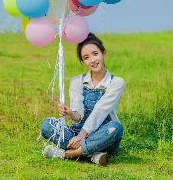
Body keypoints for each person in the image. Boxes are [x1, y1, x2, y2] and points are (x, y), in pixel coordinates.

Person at [40, 32, 125, 166]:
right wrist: (70, 113)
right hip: (77, 132)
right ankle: (93, 153)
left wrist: (82, 135)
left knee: (116, 128)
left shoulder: (116, 82)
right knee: (46, 124)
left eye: (95, 54)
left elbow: (100, 110)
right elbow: (78, 116)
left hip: (102, 134)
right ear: (83, 61)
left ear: (103, 53)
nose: (92, 60)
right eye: (86, 57)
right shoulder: (77, 81)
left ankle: (67, 154)